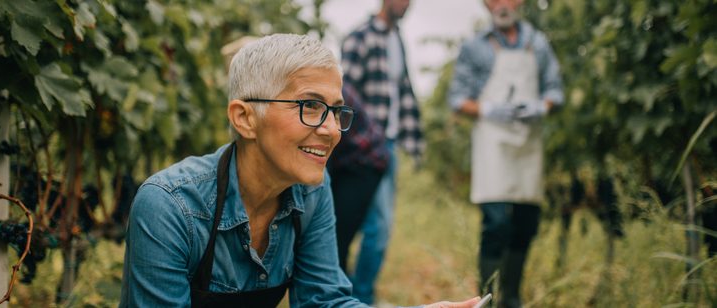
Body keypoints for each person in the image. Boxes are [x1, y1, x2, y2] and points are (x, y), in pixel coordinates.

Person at [120, 33, 480, 308]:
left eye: (337, 111)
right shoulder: (169, 207)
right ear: (245, 118)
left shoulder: (312, 189)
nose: (332, 129)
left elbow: (324, 301)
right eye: (310, 105)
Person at [448, 0, 564, 307]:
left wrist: (542, 106)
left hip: (528, 143)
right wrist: (489, 109)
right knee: (496, 222)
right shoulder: (475, 47)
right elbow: (458, 98)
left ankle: (511, 297)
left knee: (526, 221)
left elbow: (555, 90)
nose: (501, 4)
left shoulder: (537, 43)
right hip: (493, 143)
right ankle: (486, 297)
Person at [340, 0, 425, 304]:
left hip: (388, 147)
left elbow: (403, 94)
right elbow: (344, 96)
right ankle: (357, 296)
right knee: (370, 226)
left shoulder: (397, 40)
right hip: (362, 153)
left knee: (377, 228)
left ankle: (357, 293)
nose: (407, 4)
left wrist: (414, 142)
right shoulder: (359, 37)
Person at [328, 82, 390, 273]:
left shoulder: (330, 88)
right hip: (343, 160)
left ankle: (340, 295)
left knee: (337, 238)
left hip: (365, 161)